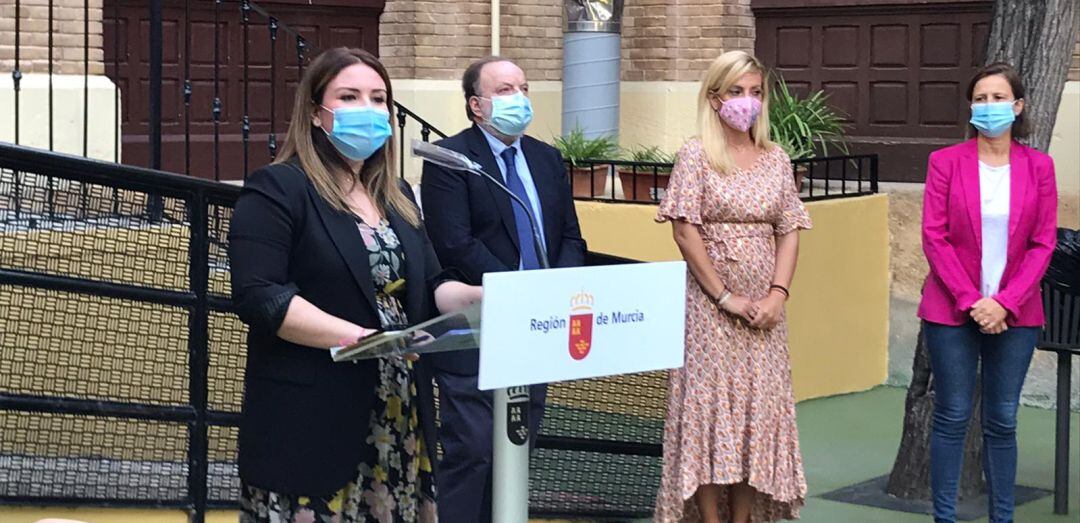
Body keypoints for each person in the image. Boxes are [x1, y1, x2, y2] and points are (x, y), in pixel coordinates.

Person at [228, 47, 481, 523]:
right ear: (315, 112)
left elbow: (427, 287)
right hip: (312, 420)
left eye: (378, 98)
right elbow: (260, 295)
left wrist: (480, 299)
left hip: (398, 415)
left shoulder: (398, 195)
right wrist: (364, 340)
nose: (368, 109)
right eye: (349, 96)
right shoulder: (279, 188)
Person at [419, 56, 587, 523]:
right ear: (477, 105)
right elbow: (455, 243)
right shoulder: (450, 160)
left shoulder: (547, 159)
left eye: (524, 88)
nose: (520, 99)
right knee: (472, 451)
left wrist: (554, 291)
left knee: (516, 448)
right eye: (506, 90)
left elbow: (570, 237)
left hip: (536, 330)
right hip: (476, 328)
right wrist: (519, 293)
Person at [653, 50, 810, 522]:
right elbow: (685, 231)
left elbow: (790, 229)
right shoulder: (696, 155)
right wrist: (725, 296)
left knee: (755, 418)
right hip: (709, 314)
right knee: (707, 415)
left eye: (756, 92)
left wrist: (776, 295)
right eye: (737, 92)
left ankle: (743, 518)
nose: (748, 101)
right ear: (716, 97)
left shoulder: (776, 159)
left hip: (765, 318)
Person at [919, 61, 1057, 523]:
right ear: (970, 107)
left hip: (1017, 314)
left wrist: (1005, 302)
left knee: (1002, 421)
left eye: (999, 98)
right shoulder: (945, 162)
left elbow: (1043, 242)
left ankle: (1003, 517)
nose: (989, 106)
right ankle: (945, 517)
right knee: (952, 417)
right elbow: (934, 237)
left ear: (1018, 107)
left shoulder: (1039, 166)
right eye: (980, 98)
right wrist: (972, 301)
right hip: (951, 311)